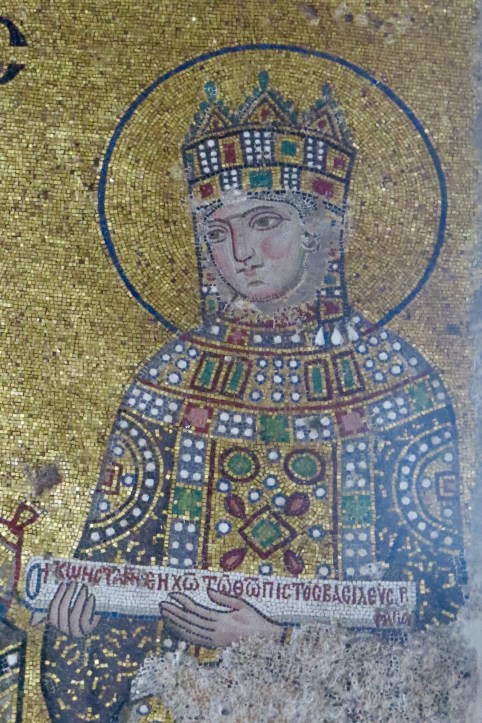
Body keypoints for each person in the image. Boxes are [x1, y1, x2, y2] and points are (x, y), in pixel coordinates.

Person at [41, 73, 466, 722]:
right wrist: (78, 636)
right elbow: (111, 580)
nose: (240, 253)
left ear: (321, 227)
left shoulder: (400, 393)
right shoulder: (167, 387)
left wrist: (277, 643)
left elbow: (449, 642)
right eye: (217, 232)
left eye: (265, 221)